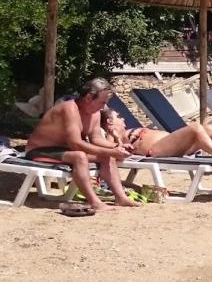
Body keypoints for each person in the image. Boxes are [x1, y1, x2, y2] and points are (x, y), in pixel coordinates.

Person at [22, 77, 138, 210]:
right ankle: (94, 202)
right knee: (79, 156)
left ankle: (121, 197)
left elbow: (96, 139)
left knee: (107, 156)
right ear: (89, 97)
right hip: (38, 150)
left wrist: (118, 147)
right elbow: (75, 144)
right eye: (102, 102)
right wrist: (111, 151)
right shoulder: (70, 110)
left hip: (62, 149)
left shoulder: (94, 113)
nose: (103, 106)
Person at [100, 109, 212, 162]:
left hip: (170, 145)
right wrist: (115, 136)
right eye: (118, 117)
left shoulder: (127, 130)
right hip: (155, 150)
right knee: (195, 127)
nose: (122, 119)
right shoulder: (110, 137)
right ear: (109, 122)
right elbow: (115, 153)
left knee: (208, 127)